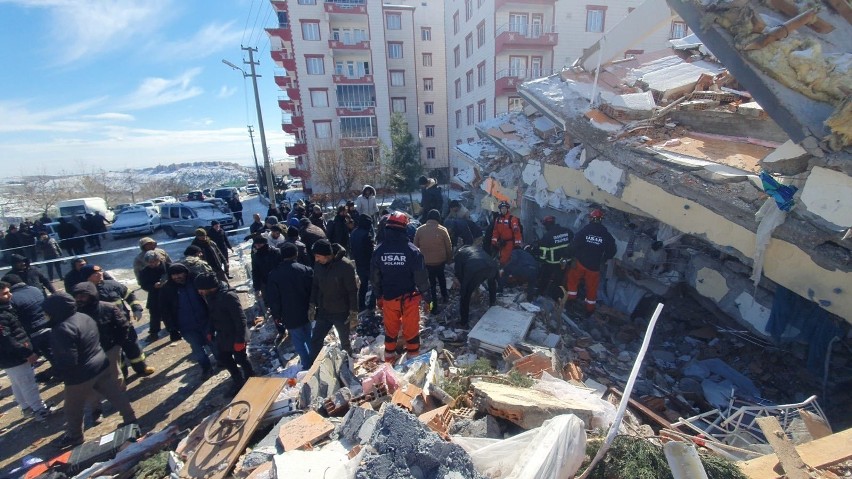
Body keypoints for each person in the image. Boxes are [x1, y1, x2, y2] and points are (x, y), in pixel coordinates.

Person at [44, 293, 137, 449]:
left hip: (81, 375)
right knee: (115, 393)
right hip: (100, 363)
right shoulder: (82, 316)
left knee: (72, 407)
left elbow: (69, 360)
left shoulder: (61, 329)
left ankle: (75, 436)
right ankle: (130, 418)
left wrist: (52, 373)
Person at [370, 213, 430, 362]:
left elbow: (375, 278)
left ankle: (389, 362)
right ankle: (412, 363)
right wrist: (428, 298)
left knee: (391, 332)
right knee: (412, 332)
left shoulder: (379, 251)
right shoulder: (413, 251)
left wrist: (378, 296)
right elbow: (421, 279)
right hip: (410, 298)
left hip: (389, 298)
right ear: (405, 228)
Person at [82, 264, 154, 377]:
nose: (100, 274)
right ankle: (122, 376)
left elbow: (129, 295)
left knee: (133, 348)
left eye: (100, 271)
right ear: (87, 277)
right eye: (95, 273)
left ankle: (141, 368)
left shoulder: (112, 285)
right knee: (115, 355)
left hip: (123, 324)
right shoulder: (84, 293)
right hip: (105, 331)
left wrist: (136, 309)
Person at [0, 281, 54, 422]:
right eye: (5, 293)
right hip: (15, 357)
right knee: (28, 383)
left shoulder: (5, 310)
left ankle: (26, 408)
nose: (10, 295)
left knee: (18, 383)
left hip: (9, 358)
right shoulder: (1, 315)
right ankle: (40, 410)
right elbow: (8, 340)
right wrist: (27, 353)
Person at [194, 273, 255, 395]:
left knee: (241, 359)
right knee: (224, 358)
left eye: (201, 289)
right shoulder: (211, 296)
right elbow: (212, 315)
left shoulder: (228, 296)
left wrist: (240, 340)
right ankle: (238, 381)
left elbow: (241, 319)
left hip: (235, 334)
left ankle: (251, 379)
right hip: (222, 335)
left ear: (209, 287)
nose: (199, 292)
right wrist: (210, 331)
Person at [265, 242, 314, 368]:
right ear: (296, 254)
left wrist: (276, 315)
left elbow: (274, 299)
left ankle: (307, 364)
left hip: (289, 314)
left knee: (298, 341)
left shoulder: (274, 275)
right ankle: (316, 360)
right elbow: (314, 292)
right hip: (307, 311)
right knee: (310, 337)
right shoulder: (305, 269)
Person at [160, 263, 214, 374]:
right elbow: (165, 311)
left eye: (180, 274)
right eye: (174, 275)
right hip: (186, 326)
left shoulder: (196, 281)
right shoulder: (167, 289)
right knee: (197, 348)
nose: (177, 277)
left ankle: (222, 361)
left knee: (214, 343)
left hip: (205, 321)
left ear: (185, 272)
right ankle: (206, 368)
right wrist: (172, 329)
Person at [309, 239, 358, 360]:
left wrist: (353, 312)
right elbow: (315, 285)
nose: (316, 259)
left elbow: (352, 291)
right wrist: (312, 304)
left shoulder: (345, 266)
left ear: (328, 255)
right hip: (324, 311)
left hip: (341, 312)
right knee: (315, 341)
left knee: (345, 343)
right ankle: (315, 369)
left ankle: (347, 367)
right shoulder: (319, 265)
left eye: (318, 256)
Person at [566, 209, 617, 313]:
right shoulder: (605, 234)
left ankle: (570, 302)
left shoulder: (585, 231)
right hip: (594, 266)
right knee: (592, 288)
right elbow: (612, 250)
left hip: (580, 262)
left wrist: (568, 256)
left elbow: (573, 245)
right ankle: (589, 310)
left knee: (572, 281)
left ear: (590, 219)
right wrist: (604, 259)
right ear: (601, 220)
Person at [4, 274, 54, 373]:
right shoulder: (34, 289)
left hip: (33, 332)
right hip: (49, 325)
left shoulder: (12, 299)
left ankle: (59, 373)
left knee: (49, 353)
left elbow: (13, 319)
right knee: (54, 351)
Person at [413, 210, 452, 314]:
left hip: (426, 263)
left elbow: (414, 247)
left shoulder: (419, 230)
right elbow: (449, 247)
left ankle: (432, 307)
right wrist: (449, 259)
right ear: (438, 218)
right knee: (441, 278)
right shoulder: (443, 230)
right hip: (440, 261)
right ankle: (445, 296)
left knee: (431, 286)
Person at [454, 245, 499, 327]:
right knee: (491, 283)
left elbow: (459, 274)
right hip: (492, 266)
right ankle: (492, 302)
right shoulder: (477, 248)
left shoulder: (459, 255)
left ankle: (464, 322)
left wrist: (465, 288)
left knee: (465, 296)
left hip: (475, 270)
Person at [537, 216, 574, 299]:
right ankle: (557, 296)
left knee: (545, 277)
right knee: (560, 280)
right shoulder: (568, 231)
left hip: (553, 262)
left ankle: (541, 292)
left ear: (547, 224)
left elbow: (543, 253)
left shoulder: (547, 236)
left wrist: (541, 261)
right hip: (565, 261)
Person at [138, 251, 169, 343]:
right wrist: (153, 286)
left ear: (158, 260)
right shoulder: (144, 272)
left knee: (169, 313)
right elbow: (143, 285)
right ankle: (153, 333)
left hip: (168, 294)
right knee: (154, 315)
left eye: (154, 261)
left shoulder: (167, 267)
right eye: (150, 262)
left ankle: (172, 329)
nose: (152, 264)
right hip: (154, 295)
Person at [349, 214, 376, 312]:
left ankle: (361, 305)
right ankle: (372, 305)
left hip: (359, 262)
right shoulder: (366, 234)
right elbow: (370, 251)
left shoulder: (354, 233)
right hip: (368, 263)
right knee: (375, 284)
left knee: (363, 285)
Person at [490, 201, 523, 266]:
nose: (503, 210)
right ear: (500, 209)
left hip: (510, 243)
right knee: (501, 259)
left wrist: (517, 244)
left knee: (507, 260)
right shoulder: (498, 219)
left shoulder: (512, 219)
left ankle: (506, 272)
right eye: (502, 208)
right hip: (501, 243)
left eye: (505, 208)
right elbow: (495, 232)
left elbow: (517, 233)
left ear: (507, 209)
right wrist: (493, 243)